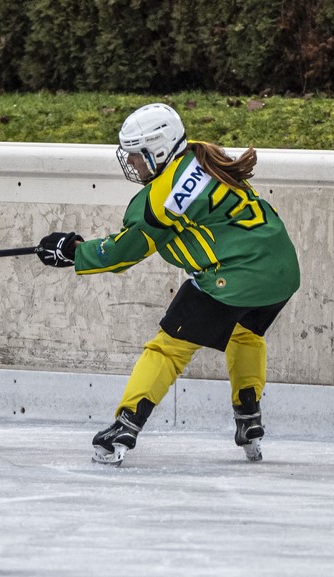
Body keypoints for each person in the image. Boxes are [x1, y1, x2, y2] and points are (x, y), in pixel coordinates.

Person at [37, 103, 300, 465]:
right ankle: (249, 419)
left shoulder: (161, 197)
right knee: (245, 334)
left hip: (237, 275)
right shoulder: (202, 158)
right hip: (282, 270)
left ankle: (126, 425)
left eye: (137, 154)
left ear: (159, 151)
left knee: (167, 349)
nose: (132, 163)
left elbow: (123, 253)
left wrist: (73, 251)